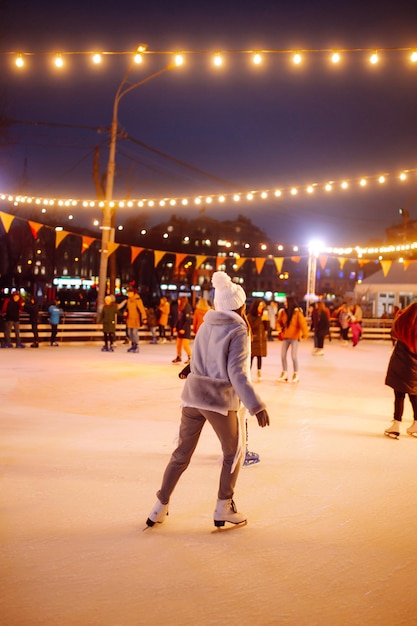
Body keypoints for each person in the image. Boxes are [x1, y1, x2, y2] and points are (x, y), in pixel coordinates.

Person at [145, 270, 270, 529]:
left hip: (192, 398)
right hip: (217, 401)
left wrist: (190, 368)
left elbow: (202, 355)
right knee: (234, 452)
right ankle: (224, 505)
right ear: (240, 304)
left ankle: (159, 506)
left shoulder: (206, 323)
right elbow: (236, 374)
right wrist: (256, 406)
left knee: (181, 454)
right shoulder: (238, 329)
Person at [384, 302, 417, 439]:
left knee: (399, 395)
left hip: (400, 366)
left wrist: (398, 317)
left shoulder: (403, 323)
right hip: (415, 369)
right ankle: (416, 424)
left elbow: (394, 333)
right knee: (414, 395)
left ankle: (396, 424)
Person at [276, 296, 309, 383]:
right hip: (286, 337)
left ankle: (296, 373)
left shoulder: (297, 313)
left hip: (295, 337)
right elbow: (278, 322)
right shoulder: (283, 312)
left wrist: (305, 334)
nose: (285, 303)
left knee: (293, 356)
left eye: (286, 302)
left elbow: (303, 324)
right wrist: (279, 329)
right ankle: (285, 373)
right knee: (283, 355)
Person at [247, 298, 269, 380]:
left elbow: (266, 328)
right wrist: (260, 318)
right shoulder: (250, 316)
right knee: (251, 357)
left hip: (261, 340)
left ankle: (259, 372)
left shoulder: (263, 315)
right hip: (254, 339)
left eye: (262, 306)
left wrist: (267, 320)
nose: (261, 307)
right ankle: (248, 372)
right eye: (259, 306)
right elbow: (252, 326)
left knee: (259, 356)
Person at [123, 288, 147, 353]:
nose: (129, 294)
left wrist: (144, 318)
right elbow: (127, 308)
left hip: (136, 319)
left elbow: (142, 309)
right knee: (129, 333)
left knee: (134, 333)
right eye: (128, 293)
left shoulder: (137, 300)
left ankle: (136, 345)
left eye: (130, 293)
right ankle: (132, 345)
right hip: (129, 319)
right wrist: (126, 313)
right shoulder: (128, 300)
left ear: (133, 293)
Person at [172, 295, 192, 364]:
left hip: (185, 330)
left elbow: (188, 320)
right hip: (180, 329)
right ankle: (178, 357)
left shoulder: (187, 308)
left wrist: (184, 329)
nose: (178, 301)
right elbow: (179, 319)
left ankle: (191, 357)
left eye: (179, 300)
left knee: (185, 345)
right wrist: (175, 327)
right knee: (178, 345)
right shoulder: (181, 308)